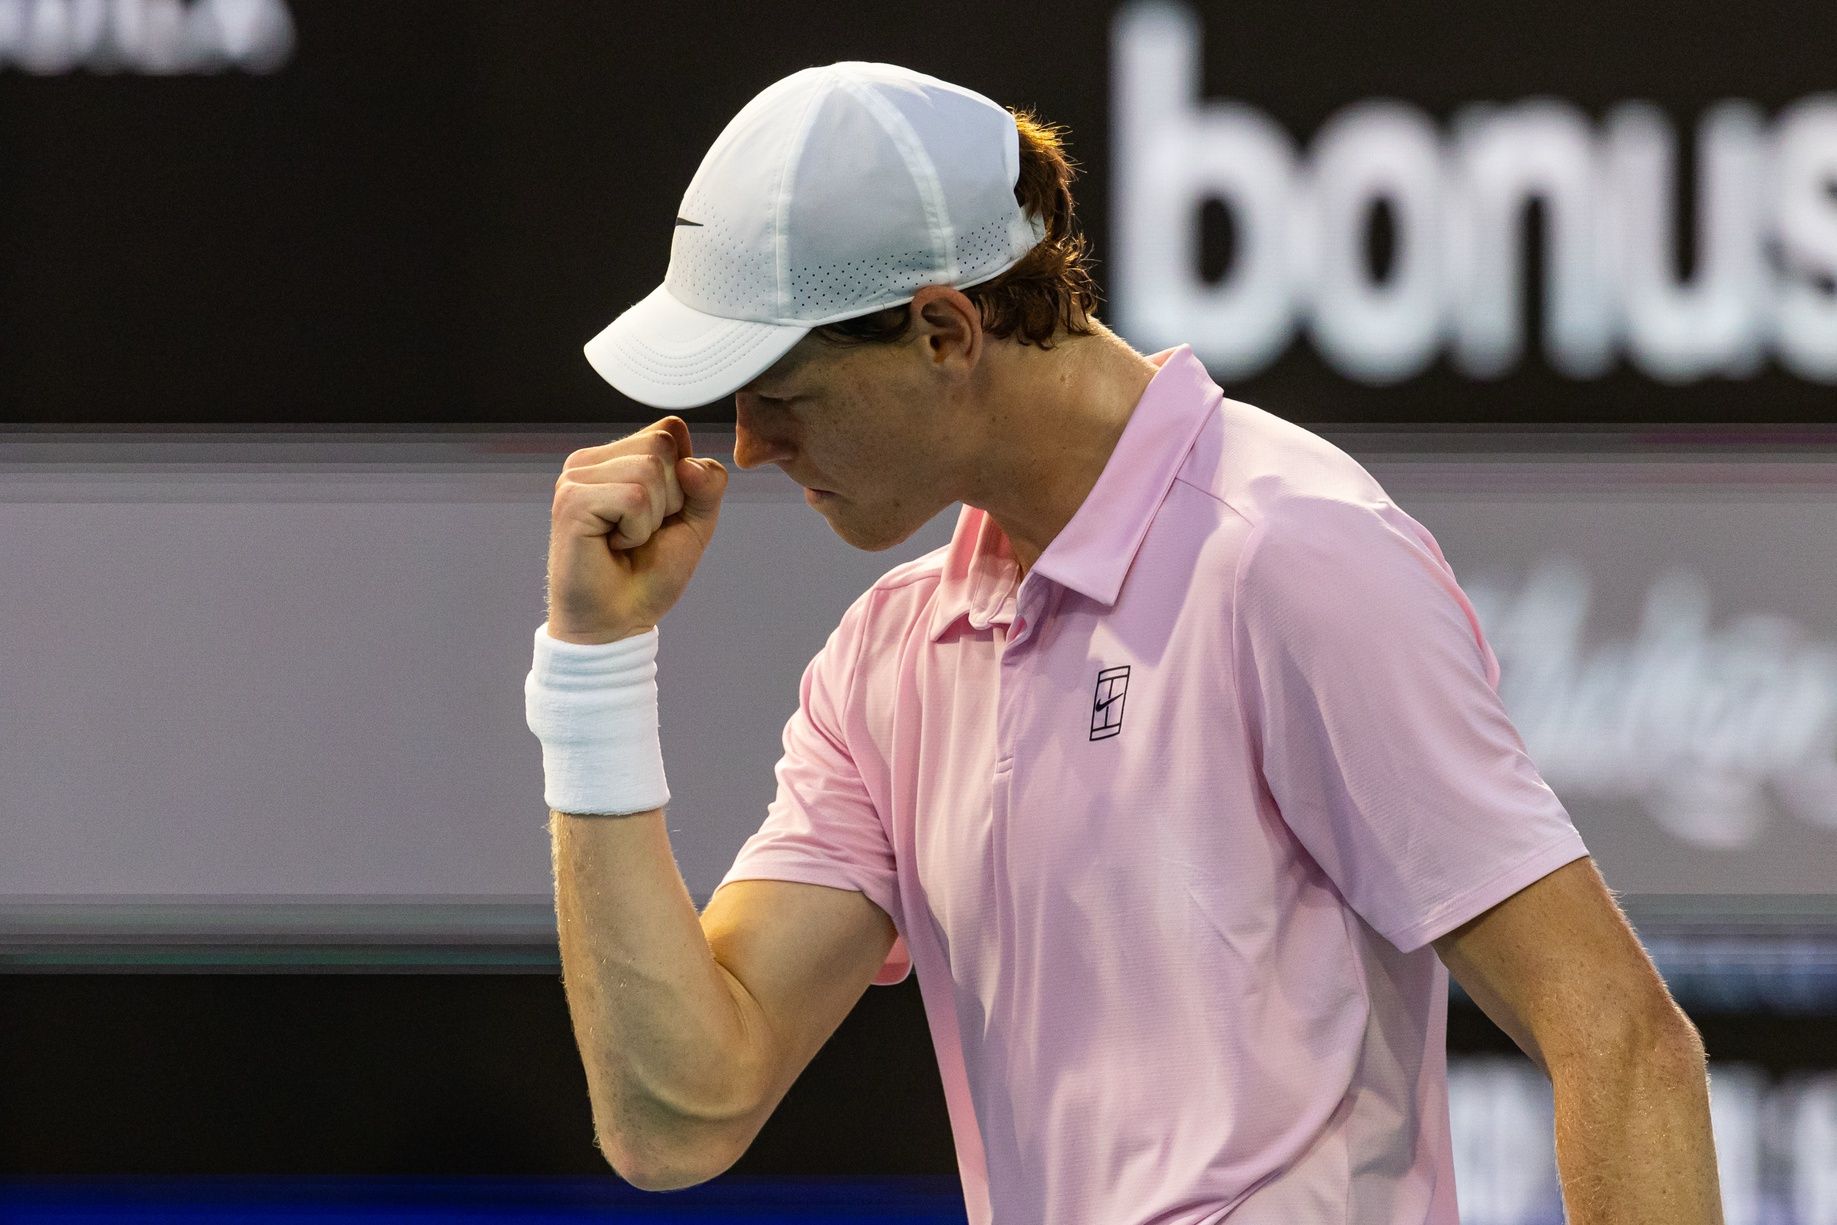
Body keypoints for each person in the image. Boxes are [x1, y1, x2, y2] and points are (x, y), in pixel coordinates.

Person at [524, 62, 1722, 1225]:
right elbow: (677, 1117)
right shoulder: (889, 657)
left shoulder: (1290, 553)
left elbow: (1621, 1039)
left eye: (781, 395)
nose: (749, 448)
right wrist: (593, 666)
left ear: (943, 332)